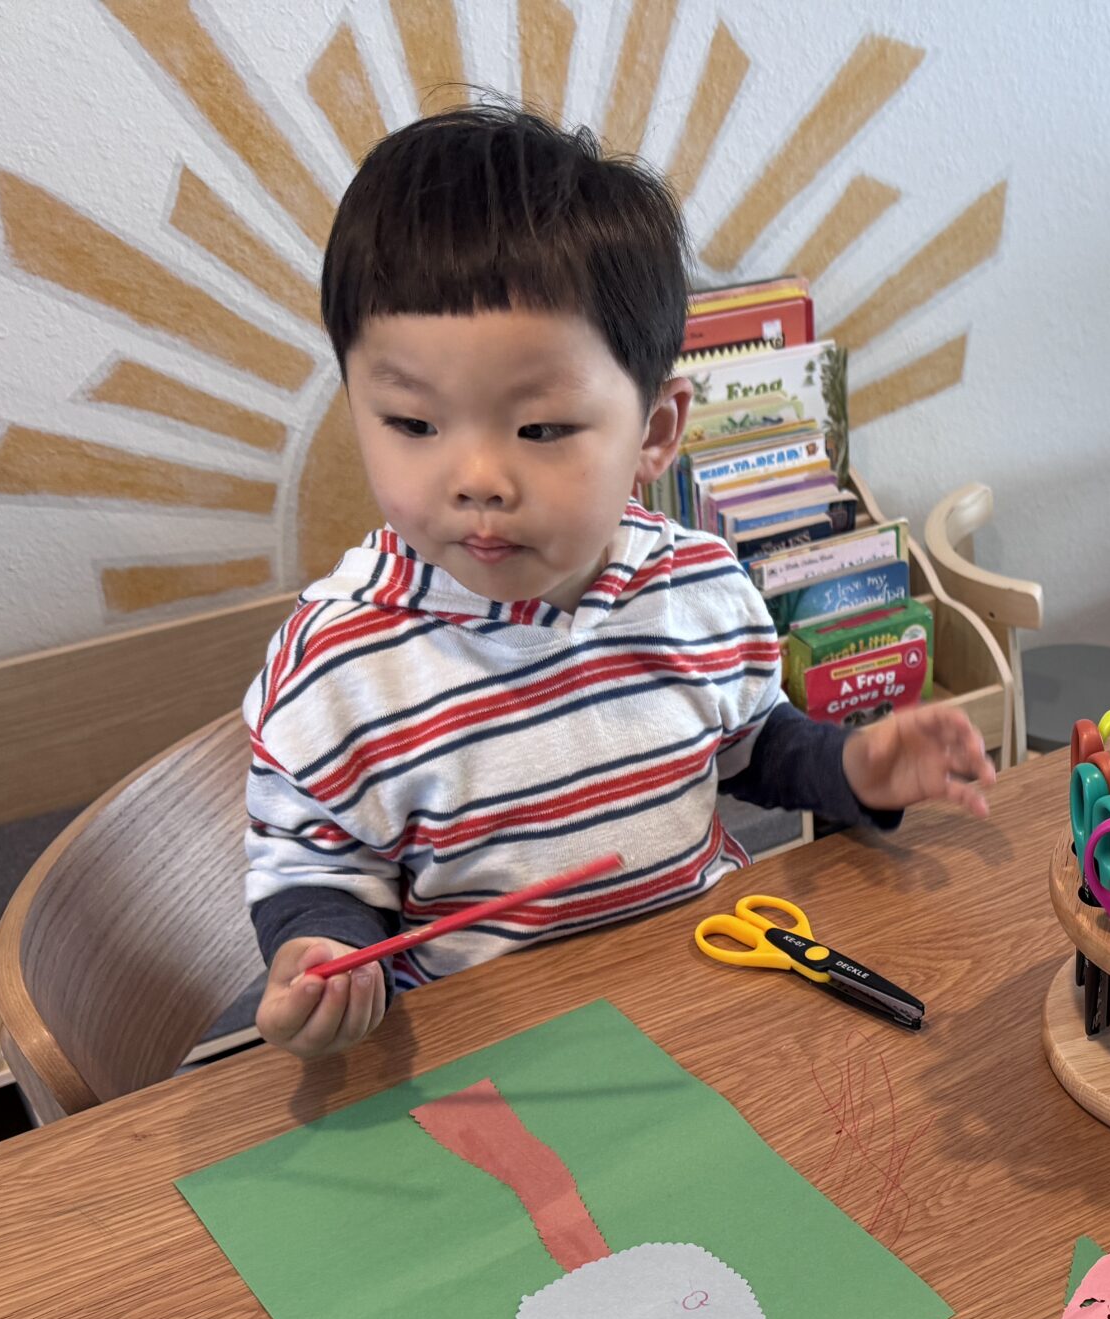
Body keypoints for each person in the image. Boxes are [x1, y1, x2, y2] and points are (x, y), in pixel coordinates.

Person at [244, 106, 993, 1059]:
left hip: (703, 1009)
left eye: (542, 429)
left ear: (653, 433)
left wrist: (857, 769)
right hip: (490, 1061)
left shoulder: (696, 585)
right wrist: (324, 955)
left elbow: (750, 745)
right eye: (413, 424)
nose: (476, 476)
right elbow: (315, 877)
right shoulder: (334, 667)